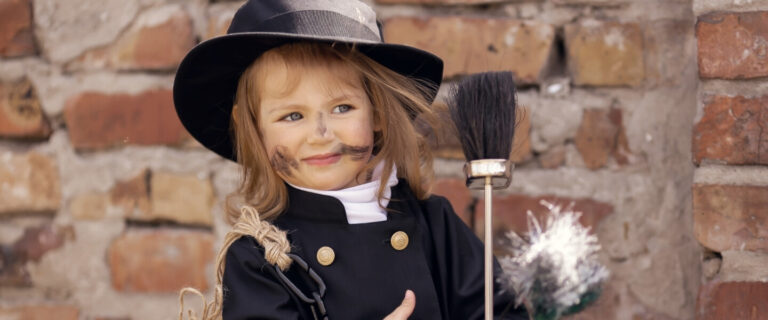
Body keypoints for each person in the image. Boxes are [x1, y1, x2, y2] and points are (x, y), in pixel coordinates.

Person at [173, 0, 528, 319]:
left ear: (378, 113)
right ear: (252, 126)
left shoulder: (435, 224)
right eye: (292, 116)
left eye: (342, 108)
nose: (320, 133)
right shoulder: (261, 256)